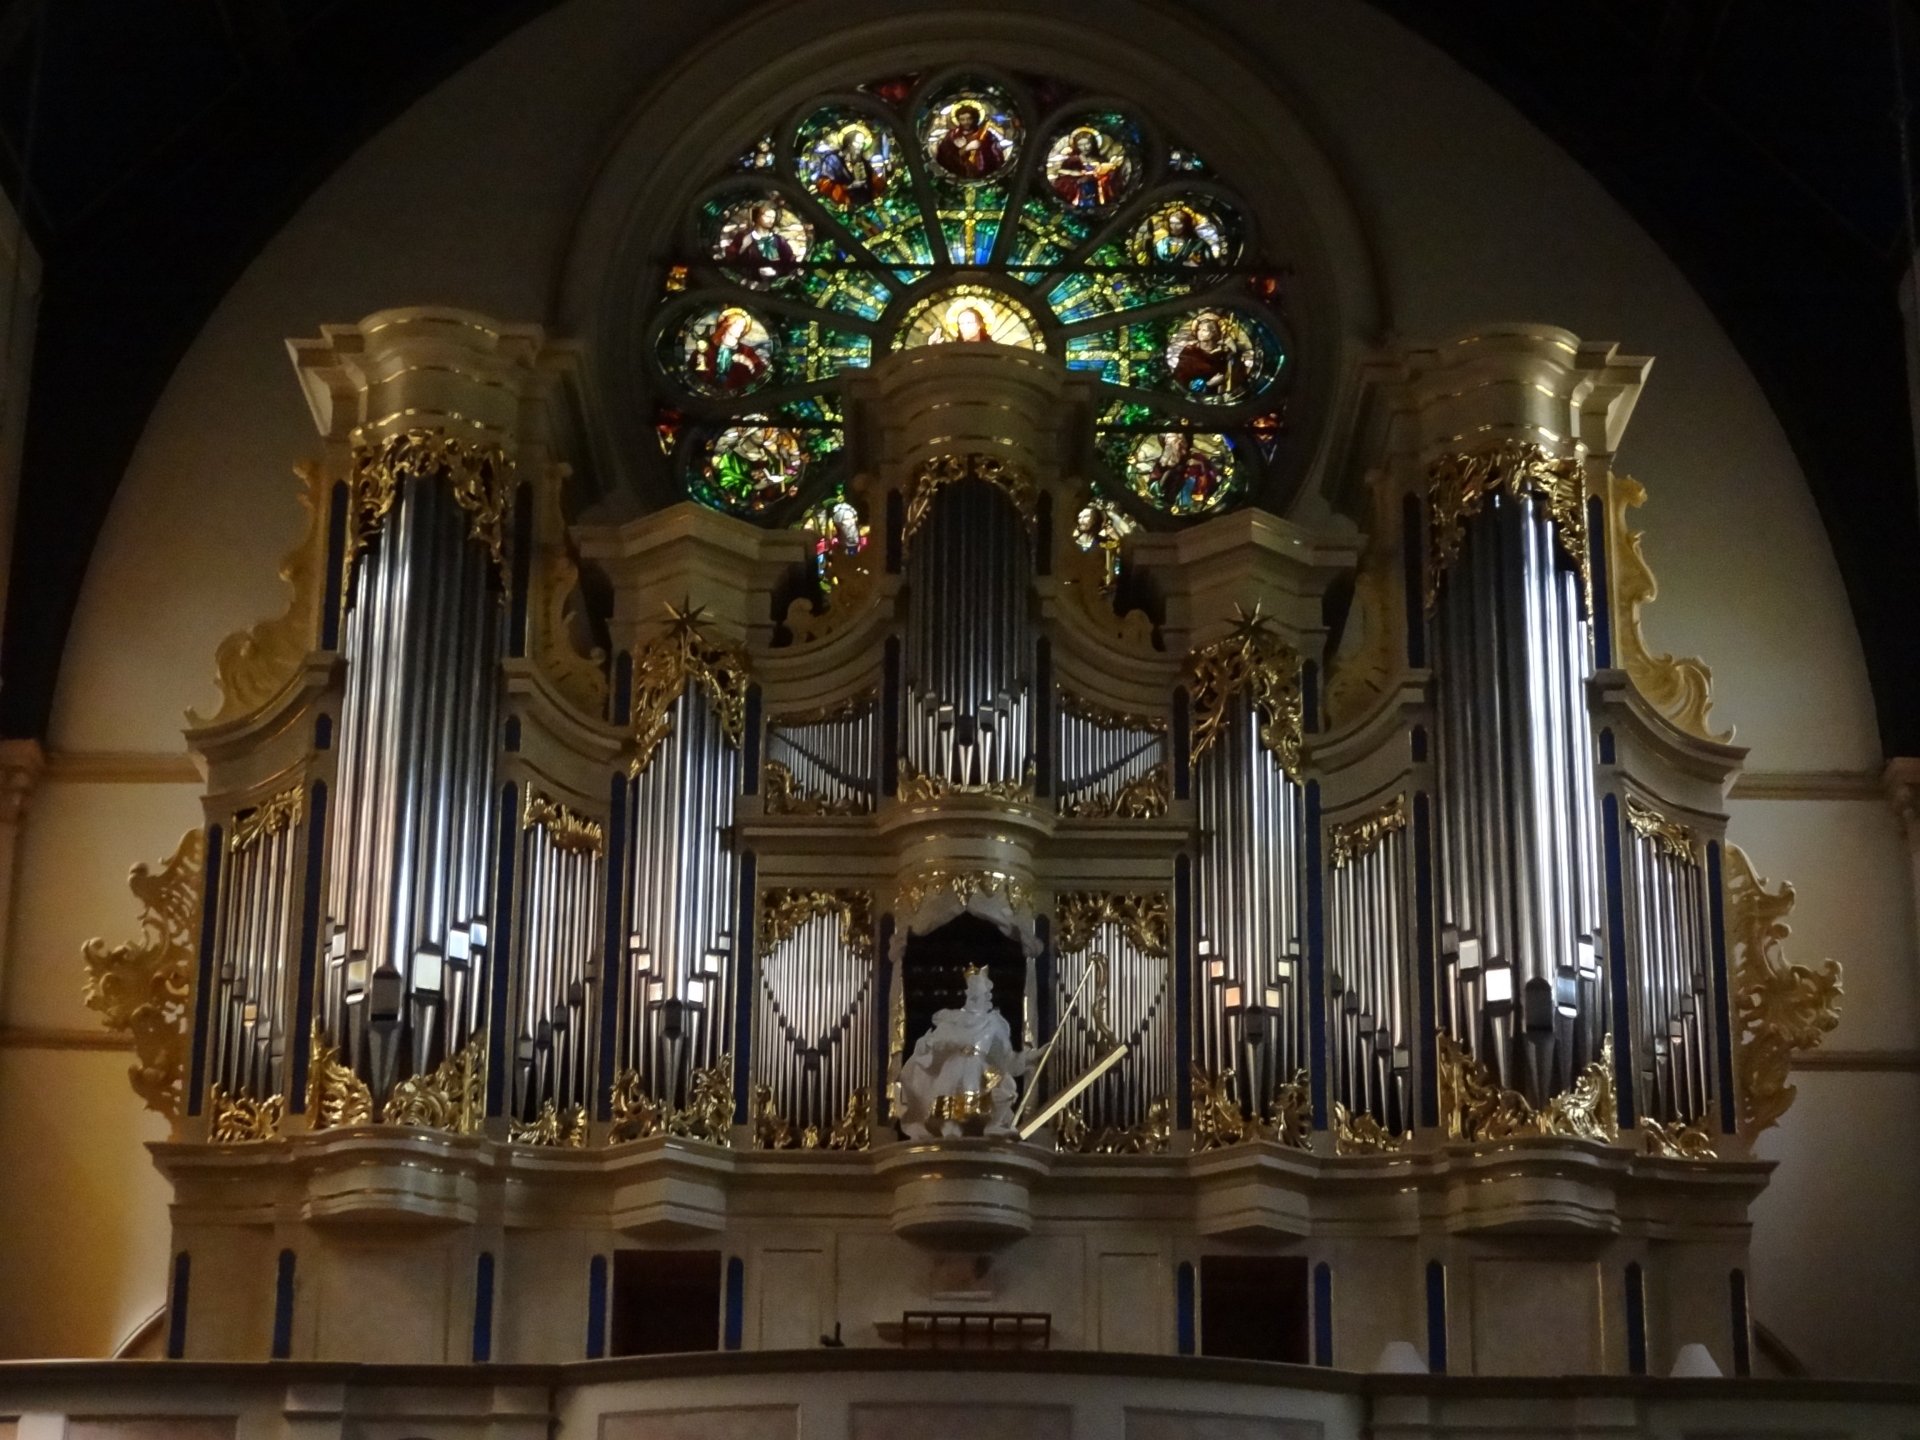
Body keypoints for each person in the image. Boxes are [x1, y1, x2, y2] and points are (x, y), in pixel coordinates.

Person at [897, 964, 1036, 1139]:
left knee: (1007, 1086)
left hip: (980, 1066)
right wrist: (931, 1044)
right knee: (950, 1095)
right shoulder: (952, 1018)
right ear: (970, 995)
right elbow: (935, 1042)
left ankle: (993, 1124)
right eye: (976, 994)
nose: (982, 998)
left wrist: (1032, 1057)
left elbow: (1007, 1058)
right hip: (954, 1065)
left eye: (984, 994)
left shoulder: (994, 1023)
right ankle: (950, 1126)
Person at [1169, 312, 1248, 402]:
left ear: (1215, 333)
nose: (1200, 333)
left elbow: (1239, 378)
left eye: (1205, 330)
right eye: (1199, 329)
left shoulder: (1225, 354)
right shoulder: (1189, 352)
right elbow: (1180, 382)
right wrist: (1209, 384)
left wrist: (1235, 350)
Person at [690, 308, 767, 394]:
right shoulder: (705, 347)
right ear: (726, 324)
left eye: (743, 327)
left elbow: (758, 373)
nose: (740, 329)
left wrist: (746, 362)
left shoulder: (746, 351)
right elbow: (693, 373)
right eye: (737, 324)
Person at [1051, 127, 1127, 209]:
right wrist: (1078, 180)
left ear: (1093, 143)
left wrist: (1104, 175)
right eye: (1080, 145)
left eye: (1087, 144)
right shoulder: (1072, 160)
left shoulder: (1101, 160)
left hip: (1099, 193)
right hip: (1079, 193)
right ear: (1076, 146)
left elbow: (1111, 176)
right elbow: (1062, 177)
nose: (1084, 147)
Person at [813, 126, 887, 208]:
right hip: (847, 205)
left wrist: (880, 182)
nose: (860, 146)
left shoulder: (863, 161)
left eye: (862, 144)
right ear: (848, 143)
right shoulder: (832, 160)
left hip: (868, 204)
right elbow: (825, 187)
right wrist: (850, 186)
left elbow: (874, 180)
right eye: (857, 143)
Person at [722, 202, 798, 281]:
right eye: (767, 216)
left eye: (773, 217)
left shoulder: (779, 240)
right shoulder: (743, 237)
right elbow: (732, 261)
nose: (771, 220)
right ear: (757, 217)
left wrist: (776, 272)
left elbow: (790, 262)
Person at [934, 102, 1009, 180]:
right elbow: (943, 157)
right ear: (958, 120)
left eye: (969, 119)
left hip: (983, 175)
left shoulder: (986, 135)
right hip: (958, 174)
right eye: (962, 119)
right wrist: (966, 148)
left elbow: (996, 156)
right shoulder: (952, 135)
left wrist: (981, 148)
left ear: (975, 119)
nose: (966, 122)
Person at [1151, 206, 1216, 267]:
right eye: (1171, 223)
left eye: (1178, 224)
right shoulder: (1162, 243)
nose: (1174, 227)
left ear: (1186, 225)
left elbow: (1206, 264)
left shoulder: (1198, 244)